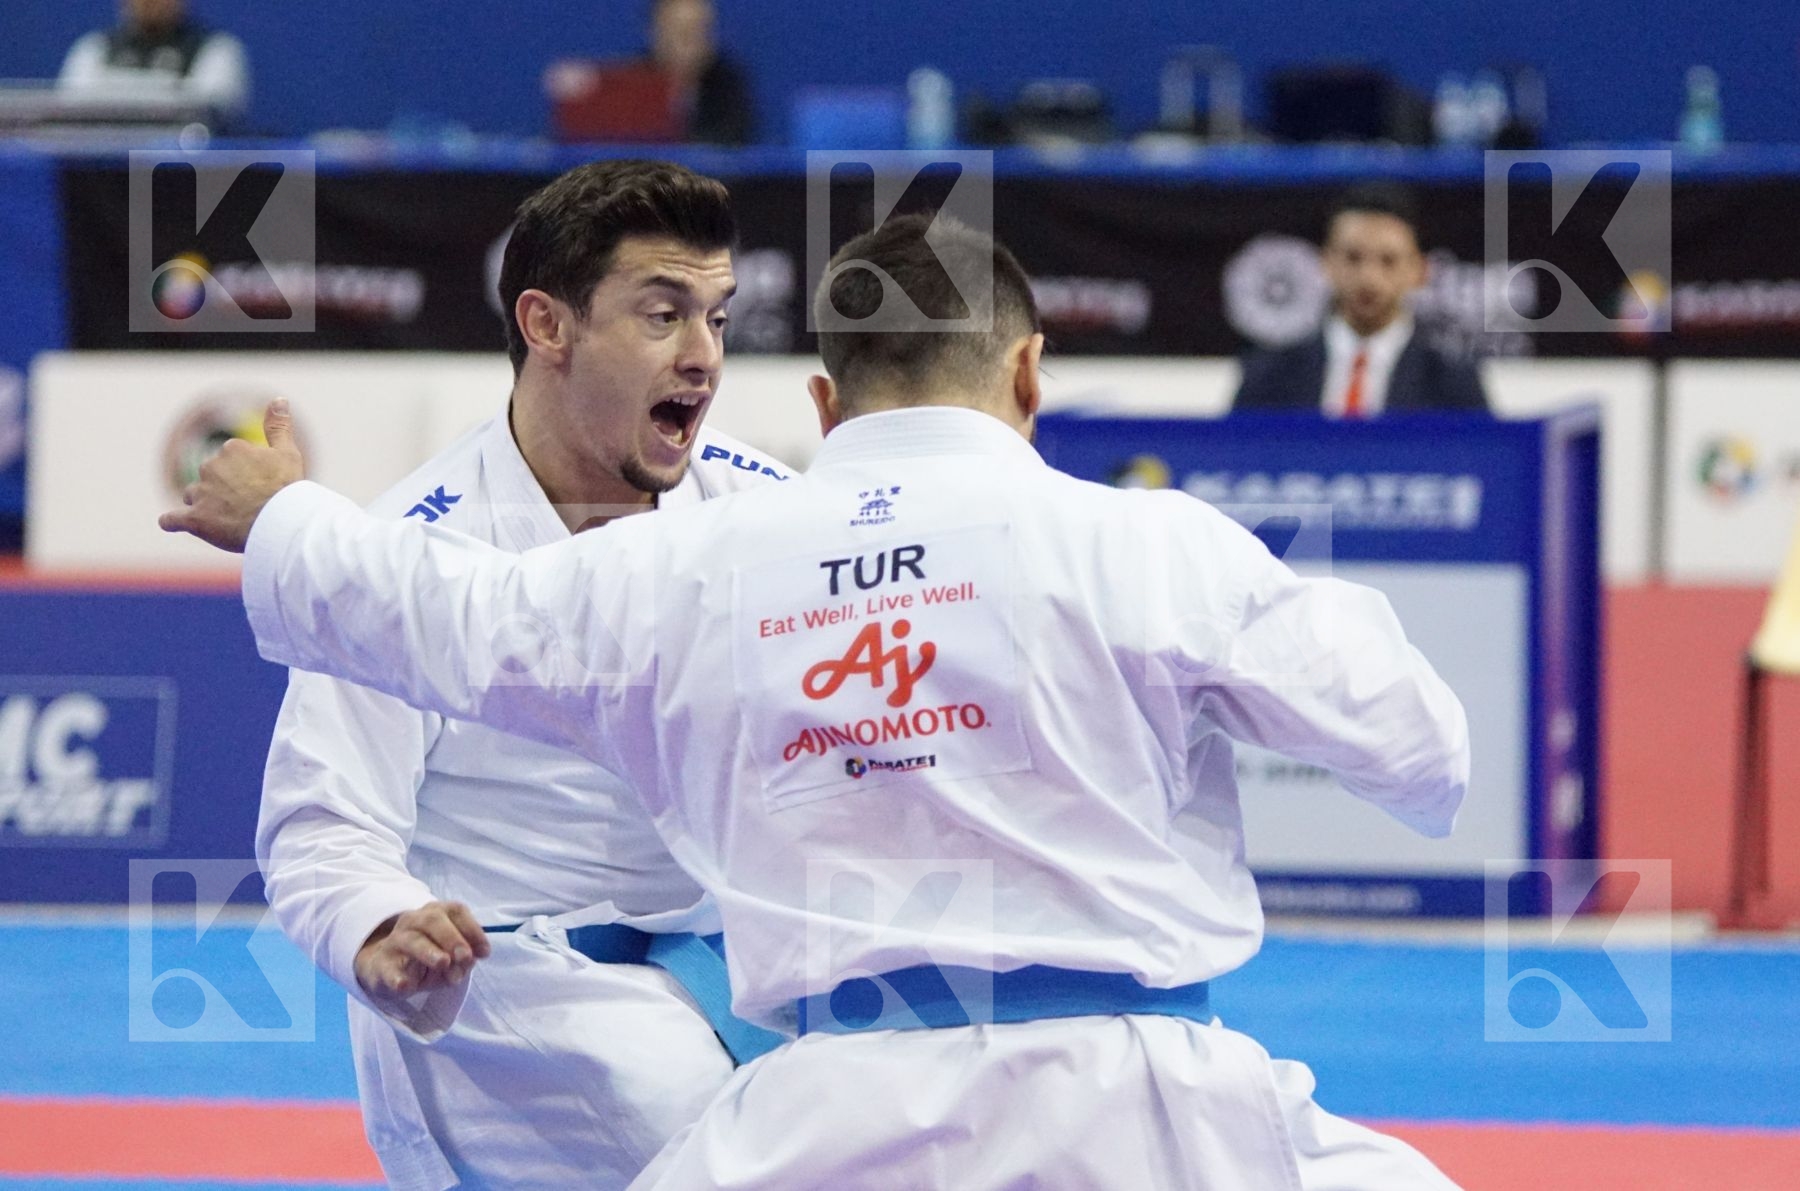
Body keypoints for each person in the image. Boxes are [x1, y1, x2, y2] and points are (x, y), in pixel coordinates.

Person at [166, 214, 1468, 1189]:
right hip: (1147, 1105)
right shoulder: (1158, 545)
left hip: (822, 1115)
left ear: (827, 401)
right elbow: (1422, 752)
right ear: (1029, 372)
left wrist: (283, 519)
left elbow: (448, 613)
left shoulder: (693, 557)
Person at [254, 159, 788, 1191]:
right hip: (510, 981)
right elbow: (321, 824)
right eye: (663, 315)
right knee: (697, 1128)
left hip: (728, 958)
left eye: (717, 319)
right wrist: (377, 925)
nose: (704, 358)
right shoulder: (409, 549)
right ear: (547, 326)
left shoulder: (759, 510)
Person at [1234, 184, 1488, 415]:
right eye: (1353, 258)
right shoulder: (1270, 376)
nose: (1369, 279)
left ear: (1418, 271)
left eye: (1388, 261)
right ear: (1326, 262)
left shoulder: (1453, 383)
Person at [58, 0, 249, 120]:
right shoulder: (93, 49)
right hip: (99, 172)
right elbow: (71, 111)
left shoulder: (217, 49)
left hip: (183, 172)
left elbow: (208, 109)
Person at [647, 0, 754, 145]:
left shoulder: (728, 84)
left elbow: (731, 138)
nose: (688, 44)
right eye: (680, 33)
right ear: (656, 33)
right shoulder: (634, 81)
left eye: (697, 32)